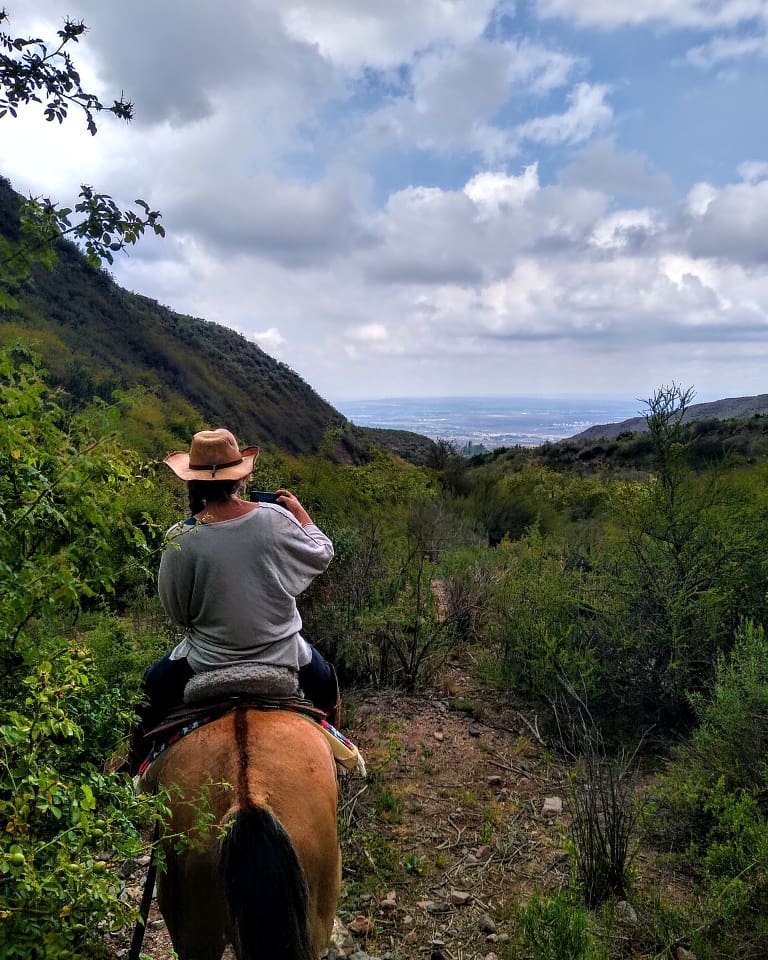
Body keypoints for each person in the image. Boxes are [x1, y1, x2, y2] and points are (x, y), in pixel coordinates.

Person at [132, 428, 338, 766]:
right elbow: (322, 553)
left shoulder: (181, 537)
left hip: (205, 660)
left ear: (192, 480)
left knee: (147, 696)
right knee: (327, 685)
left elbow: (178, 615)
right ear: (240, 478)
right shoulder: (274, 519)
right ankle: (338, 764)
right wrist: (300, 513)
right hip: (283, 653)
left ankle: (133, 774)